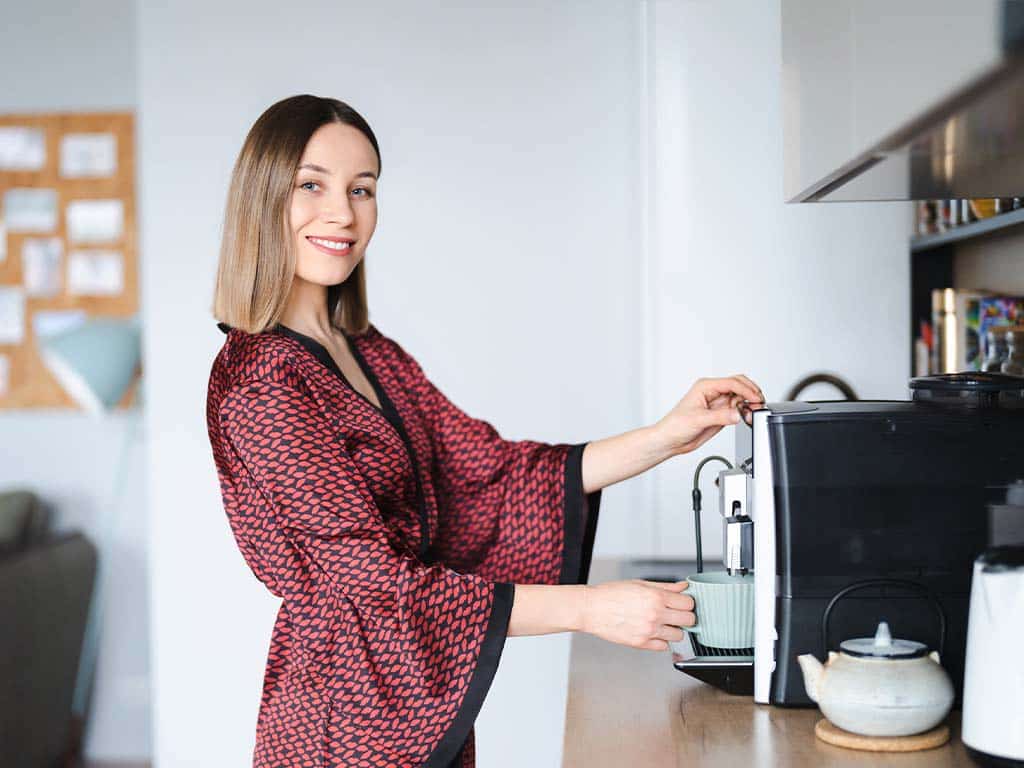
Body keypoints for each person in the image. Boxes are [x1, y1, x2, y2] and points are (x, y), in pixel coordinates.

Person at [206, 94, 764, 768]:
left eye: (363, 189)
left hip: (412, 709)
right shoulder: (262, 382)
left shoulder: (366, 348)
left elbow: (486, 475)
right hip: (340, 726)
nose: (342, 214)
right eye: (311, 185)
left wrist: (667, 436)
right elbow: (374, 586)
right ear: (263, 197)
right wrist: (589, 610)